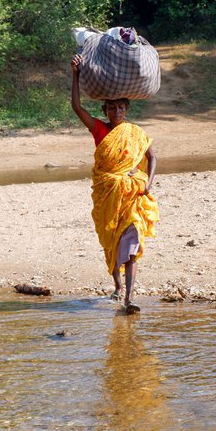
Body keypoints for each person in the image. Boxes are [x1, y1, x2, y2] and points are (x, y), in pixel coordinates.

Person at [71, 54, 159, 314]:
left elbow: (152, 156)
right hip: (107, 196)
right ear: (105, 111)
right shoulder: (100, 130)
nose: (117, 111)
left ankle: (130, 298)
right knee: (112, 242)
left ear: (127, 109)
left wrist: (148, 183)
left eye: (121, 107)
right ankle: (118, 287)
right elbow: (77, 107)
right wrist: (75, 74)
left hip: (131, 196)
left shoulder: (135, 133)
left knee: (132, 245)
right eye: (112, 108)